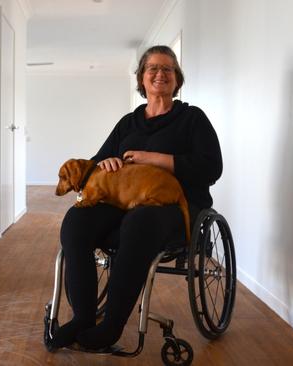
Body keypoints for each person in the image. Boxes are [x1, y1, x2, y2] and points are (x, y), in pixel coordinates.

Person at [51, 45, 223, 351]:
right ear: (142, 78)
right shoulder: (128, 123)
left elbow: (212, 168)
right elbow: (95, 163)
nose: (160, 74)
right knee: (77, 221)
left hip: (173, 205)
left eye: (168, 69)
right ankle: (83, 318)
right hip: (124, 202)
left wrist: (156, 159)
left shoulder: (192, 119)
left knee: (140, 221)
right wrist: (105, 163)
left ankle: (111, 327)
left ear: (177, 78)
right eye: (152, 69)